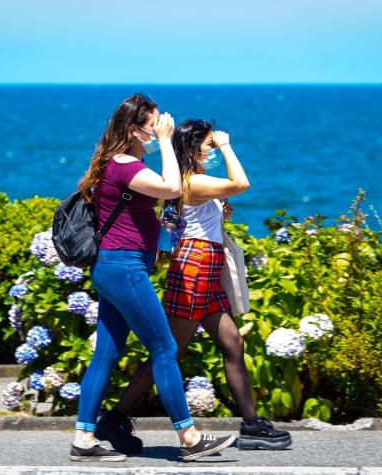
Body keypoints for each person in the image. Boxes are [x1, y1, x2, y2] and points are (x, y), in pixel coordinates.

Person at [95, 119, 292, 452]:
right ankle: (115, 418)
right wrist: (229, 146)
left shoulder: (194, 181)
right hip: (194, 269)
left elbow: (193, 223)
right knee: (170, 351)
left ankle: (252, 425)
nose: (213, 149)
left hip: (205, 267)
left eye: (215, 145)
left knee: (232, 344)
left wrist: (220, 214)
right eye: (209, 144)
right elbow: (241, 182)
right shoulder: (193, 181)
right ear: (192, 148)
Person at [70, 97, 236, 462]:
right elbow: (173, 188)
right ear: (134, 129)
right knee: (164, 349)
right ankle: (189, 437)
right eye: (154, 123)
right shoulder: (126, 165)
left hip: (116, 267)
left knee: (107, 353)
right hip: (124, 269)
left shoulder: (119, 164)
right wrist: (165, 140)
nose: (162, 127)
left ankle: (83, 439)